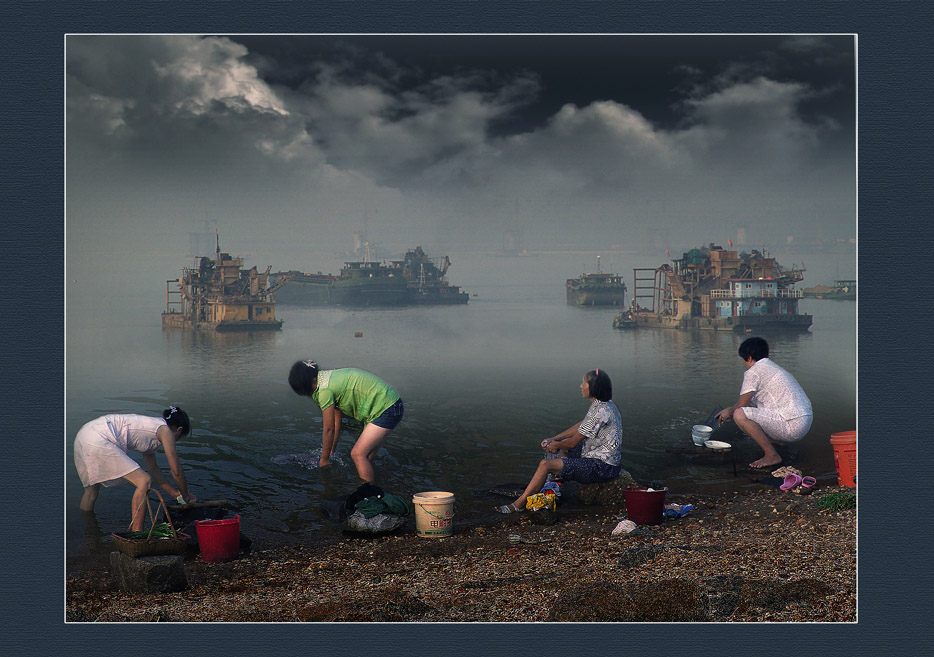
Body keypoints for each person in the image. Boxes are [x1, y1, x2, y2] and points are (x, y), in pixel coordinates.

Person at [494, 368, 623, 514]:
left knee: (545, 464)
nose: (581, 386)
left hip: (602, 467)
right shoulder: (605, 404)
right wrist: (555, 439)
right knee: (562, 447)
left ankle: (518, 504)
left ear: (593, 387)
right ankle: (560, 475)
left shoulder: (600, 411)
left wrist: (555, 445)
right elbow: (582, 425)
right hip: (602, 460)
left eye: (584, 383)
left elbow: (572, 443)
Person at [73, 407, 197, 530]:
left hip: (84, 435)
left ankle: (87, 529)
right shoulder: (166, 431)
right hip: (99, 438)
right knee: (144, 481)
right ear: (179, 430)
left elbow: (154, 469)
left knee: (91, 492)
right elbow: (176, 471)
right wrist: (186, 496)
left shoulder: (153, 428)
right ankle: (137, 534)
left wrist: (177, 495)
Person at [288, 360, 403, 484]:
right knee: (367, 457)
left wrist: (324, 459)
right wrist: (331, 449)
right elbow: (337, 421)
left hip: (387, 408)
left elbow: (328, 429)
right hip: (387, 403)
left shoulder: (324, 392)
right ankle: (375, 485)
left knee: (358, 455)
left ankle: (368, 496)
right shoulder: (325, 378)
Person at [716, 337, 813, 468]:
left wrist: (728, 411)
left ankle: (771, 455)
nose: (743, 363)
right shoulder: (771, 367)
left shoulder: (754, 371)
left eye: (743, 359)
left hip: (791, 425)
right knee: (750, 410)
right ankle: (778, 440)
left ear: (749, 358)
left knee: (739, 414)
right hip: (802, 420)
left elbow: (741, 405)